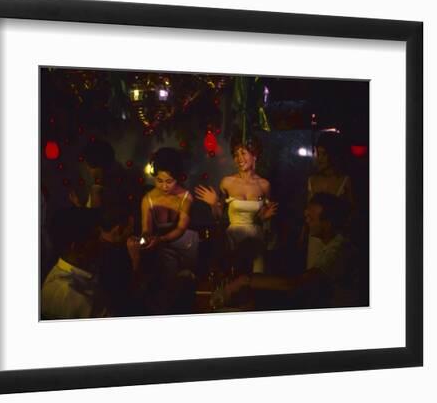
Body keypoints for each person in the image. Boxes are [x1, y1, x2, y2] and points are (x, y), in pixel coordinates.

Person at [223, 193, 364, 309]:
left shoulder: (339, 250)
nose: (307, 222)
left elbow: (294, 284)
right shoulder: (332, 244)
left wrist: (246, 280)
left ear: (327, 223)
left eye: (311, 218)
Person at [195, 134, 277, 273]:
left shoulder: (264, 185)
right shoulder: (227, 182)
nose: (239, 159)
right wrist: (214, 204)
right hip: (233, 238)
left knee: (257, 280)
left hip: (256, 239)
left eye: (243, 153)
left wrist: (264, 219)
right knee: (234, 279)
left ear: (254, 155)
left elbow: (267, 219)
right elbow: (218, 217)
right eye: (235, 155)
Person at [131, 147, 198, 314]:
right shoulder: (148, 199)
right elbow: (146, 229)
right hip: (160, 245)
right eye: (159, 180)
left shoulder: (186, 197)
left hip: (184, 242)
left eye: (169, 181)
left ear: (177, 178)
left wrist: (161, 240)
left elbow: (181, 228)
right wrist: (147, 238)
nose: (164, 186)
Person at [41, 204, 135, 319]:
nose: (101, 241)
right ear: (76, 247)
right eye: (95, 236)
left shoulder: (83, 271)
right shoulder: (69, 295)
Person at [304, 132, 354, 269]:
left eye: (324, 154)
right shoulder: (312, 180)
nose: (320, 159)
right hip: (315, 239)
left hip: (336, 239)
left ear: (334, 155)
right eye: (318, 154)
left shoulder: (345, 181)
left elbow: (352, 214)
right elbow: (308, 212)